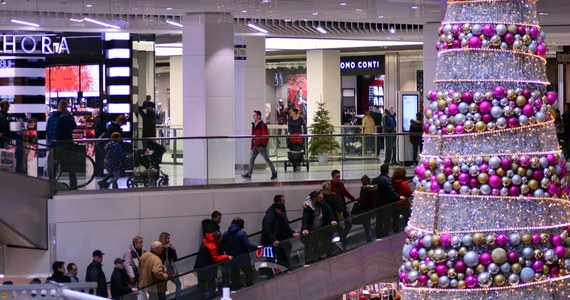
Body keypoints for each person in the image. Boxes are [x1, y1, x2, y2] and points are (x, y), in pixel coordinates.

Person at [220, 217, 261, 289]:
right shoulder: (242, 233)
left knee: (234, 275)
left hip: (231, 259)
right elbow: (247, 245)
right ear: (241, 224)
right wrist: (257, 246)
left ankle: (236, 290)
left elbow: (222, 247)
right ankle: (250, 287)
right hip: (243, 257)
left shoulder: (225, 234)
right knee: (248, 273)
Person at [261, 196, 299, 269]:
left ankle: (283, 269)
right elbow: (266, 229)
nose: (282, 213)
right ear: (277, 209)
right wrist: (273, 240)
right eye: (281, 211)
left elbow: (285, 225)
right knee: (271, 262)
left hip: (277, 241)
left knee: (282, 258)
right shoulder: (270, 215)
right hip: (270, 242)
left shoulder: (278, 214)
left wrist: (292, 233)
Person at [47, 100, 78, 187]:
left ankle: (51, 185)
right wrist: (70, 115)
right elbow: (74, 126)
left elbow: (48, 132)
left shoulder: (50, 118)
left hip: (53, 145)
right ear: (65, 108)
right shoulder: (65, 117)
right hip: (66, 146)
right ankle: (73, 185)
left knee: (53, 167)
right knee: (71, 166)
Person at [301, 190, 337, 264]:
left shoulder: (321, 202)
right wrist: (305, 229)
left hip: (321, 228)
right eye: (319, 198)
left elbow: (329, 210)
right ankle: (309, 261)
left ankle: (318, 259)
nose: (321, 199)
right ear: (314, 199)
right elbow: (305, 219)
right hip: (312, 231)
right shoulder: (308, 207)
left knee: (319, 245)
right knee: (310, 246)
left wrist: (332, 220)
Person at [194, 231, 232, 300]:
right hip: (208, 268)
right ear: (218, 238)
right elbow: (216, 259)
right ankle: (210, 297)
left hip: (198, 266)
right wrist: (227, 257)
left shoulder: (206, 240)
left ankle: (201, 298)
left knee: (201, 284)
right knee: (212, 283)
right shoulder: (213, 247)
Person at [241, 110, 277, 180]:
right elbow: (254, 135)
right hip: (255, 145)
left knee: (267, 160)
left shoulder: (262, 125)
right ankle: (249, 174)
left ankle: (274, 172)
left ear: (259, 116)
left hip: (260, 146)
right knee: (251, 159)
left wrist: (263, 145)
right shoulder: (255, 124)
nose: (253, 116)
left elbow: (265, 136)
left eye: (255, 115)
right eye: (253, 115)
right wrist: (253, 144)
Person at [372, 164, 403, 238]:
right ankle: (386, 236)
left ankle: (378, 236)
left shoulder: (375, 180)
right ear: (388, 170)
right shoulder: (388, 180)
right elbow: (391, 192)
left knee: (378, 221)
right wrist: (399, 197)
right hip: (386, 204)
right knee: (387, 221)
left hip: (377, 204)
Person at [159, 232, 181, 299]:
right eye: (168, 238)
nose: (169, 240)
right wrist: (173, 250)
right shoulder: (168, 249)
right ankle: (177, 298)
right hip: (170, 272)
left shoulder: (157, 249)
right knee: (178, 285)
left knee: (163, 289)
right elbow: (175, 259)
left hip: (161, 271)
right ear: (164, 239)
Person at [392, 167, 413, 233]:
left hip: (394, 204)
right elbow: (409, 193)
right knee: (408, 218)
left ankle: (395, 232)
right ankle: (408, 231)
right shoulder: (404, 183)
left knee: (395, 220)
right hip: (403, 204)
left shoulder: (392, 182)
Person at [357, 175, 377, 242]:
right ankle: (370, 239)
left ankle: (369, 240)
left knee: (367, 227)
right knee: (369, 226)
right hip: (372, 209)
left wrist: (359, 200)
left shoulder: (364, 189)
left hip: (365, 209)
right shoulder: (373, 188)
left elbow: (363, 200)